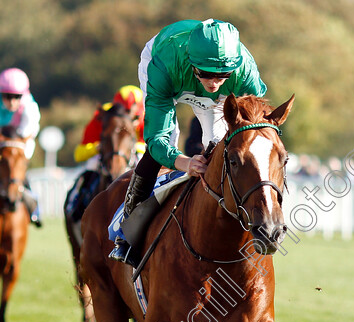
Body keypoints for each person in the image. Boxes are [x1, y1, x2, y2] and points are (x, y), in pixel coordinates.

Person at [110, 19, 267, 266]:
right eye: (206, 74)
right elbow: (155, 140)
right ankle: (128, 236)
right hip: (169, 69)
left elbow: (257, 129)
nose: (214, 83)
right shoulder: (165, 65)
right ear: (195, 65)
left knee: (221, 145)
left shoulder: (244, 73)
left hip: (202, 77)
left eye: (222, 75)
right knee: (165, 144)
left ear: (233, 68)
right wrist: (184, 163)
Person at [0, 68, 42, 227]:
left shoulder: (29, 105)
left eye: (17, 97)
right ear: (0, 94)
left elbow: (28, 136)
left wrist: (19, 158)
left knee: (17, 169)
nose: (12, 101)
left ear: (23, 95)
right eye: (7, 96)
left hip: (16, 140)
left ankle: (34, 207)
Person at [73, 85, 146, 169]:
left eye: (133, 118)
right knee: (92, 164)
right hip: (104, 159)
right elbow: (78, 154)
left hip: (134, 157)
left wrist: (133, 146)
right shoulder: (102, 116)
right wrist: (97, 147)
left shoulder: (147, 118)